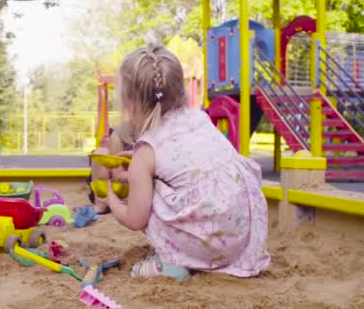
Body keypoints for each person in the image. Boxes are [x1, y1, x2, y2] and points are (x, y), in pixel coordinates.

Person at [101, 44, 270, 280]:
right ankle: (198, 254)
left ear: (129, 101)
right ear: (180, 90)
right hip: (241, 238)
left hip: (208, 245)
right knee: (166, 182)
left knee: (148, 195)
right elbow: (190, 167)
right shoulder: (200, 119)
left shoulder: (146, 152)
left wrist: (109, 198)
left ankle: (171, 264)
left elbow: (134, 218)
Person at [87, 122, 136, 214]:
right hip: (117, 183)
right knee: (101, 152)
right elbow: (117, 173)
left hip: (140, 186)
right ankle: (101, 202)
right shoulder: (121, 132)